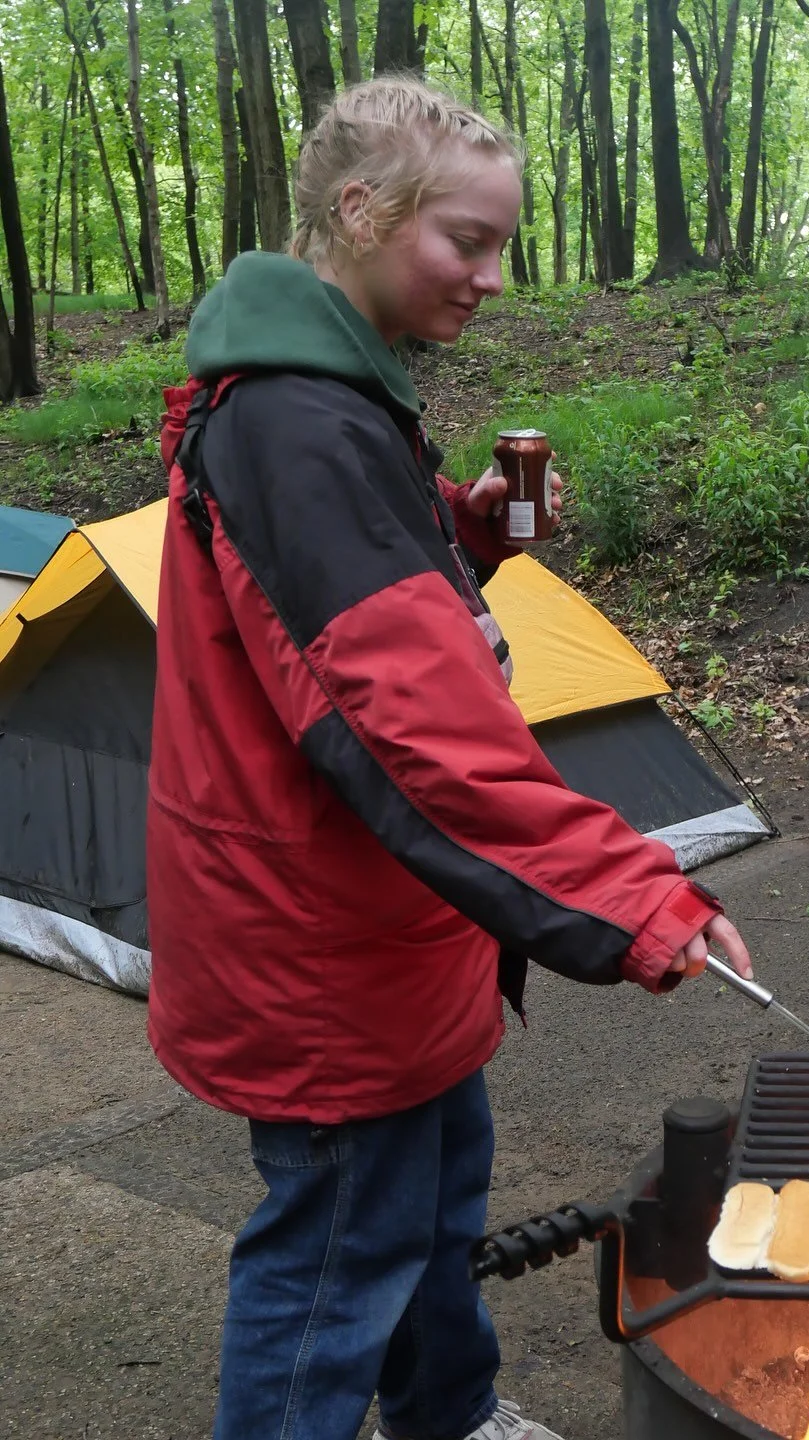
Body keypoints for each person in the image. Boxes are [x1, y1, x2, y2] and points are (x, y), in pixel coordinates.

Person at [147, 78, 751, 1440]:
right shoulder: (298, 426)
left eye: (501, 247)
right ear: (361, 212)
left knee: (429, 1203)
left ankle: (451, 1410)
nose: (491, 277)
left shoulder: (328, 391)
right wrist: (636, 895)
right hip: (318, 943)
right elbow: (412, 730)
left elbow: (321, 605)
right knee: (331, 1261)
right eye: (466, 242)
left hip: (385, 930)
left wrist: (459, 534)